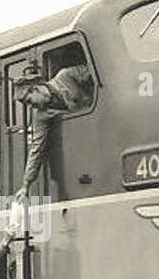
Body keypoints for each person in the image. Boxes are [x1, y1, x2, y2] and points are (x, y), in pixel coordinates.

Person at [9, 61, 95, 199]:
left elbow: (98, 75)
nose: (32, 106)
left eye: (30, 101)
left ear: (35, 89)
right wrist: (26, 185)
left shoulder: (66, 75)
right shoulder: (41, 115)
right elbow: (36, 148)